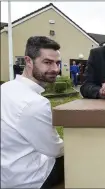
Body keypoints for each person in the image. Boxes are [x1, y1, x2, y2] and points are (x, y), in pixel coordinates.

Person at [1, 36, 64, 189]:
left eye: (57, 63)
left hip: (6, 174)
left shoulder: (5, 88)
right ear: (28, 61)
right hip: (29, 180)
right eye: (47, 62)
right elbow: (55, 149)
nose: (55, 69)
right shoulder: (35, 103)